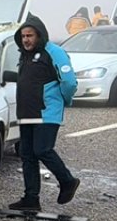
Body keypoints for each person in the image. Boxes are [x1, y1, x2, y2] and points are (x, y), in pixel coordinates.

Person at [8, 15, 80, 211]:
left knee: (43, 150)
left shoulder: (54, 52)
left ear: (39, 35)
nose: (26, 40)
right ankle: (31, 198)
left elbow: (70, 82)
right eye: (23, 36)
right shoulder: (25, 55)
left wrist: (64, 100)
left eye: (29, 35)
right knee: (27, 155)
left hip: (46, 112)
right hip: (26, 112)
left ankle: (67, 181)